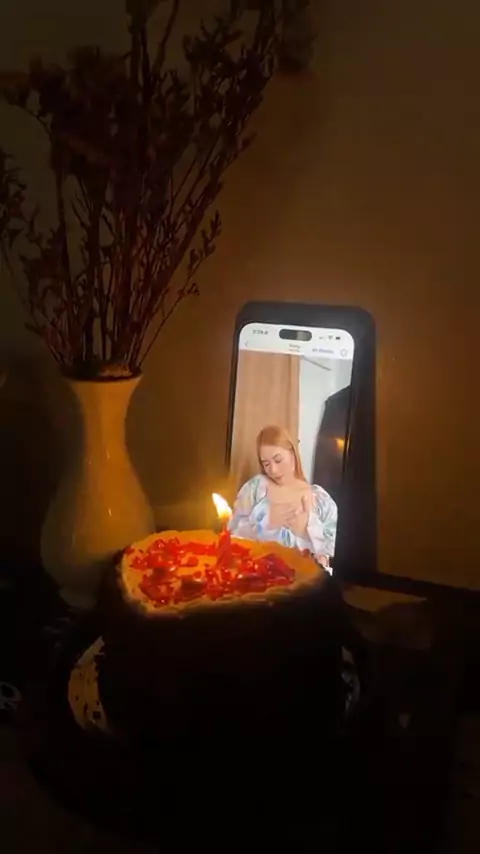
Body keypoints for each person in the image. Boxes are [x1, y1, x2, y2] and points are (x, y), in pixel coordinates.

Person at [229, 425, 337, 569]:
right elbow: (231, 534)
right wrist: (265, 524)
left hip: (303, 580)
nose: (273, 470)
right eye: (266, 464)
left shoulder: (321, 500)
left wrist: (306, 532)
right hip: (256, 575)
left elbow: (331, 555)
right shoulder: (256, 489)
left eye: (278, 460)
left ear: (292, 454)